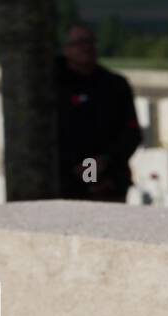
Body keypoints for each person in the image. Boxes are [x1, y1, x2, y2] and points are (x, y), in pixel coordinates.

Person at [55, 22, 142, 202]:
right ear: (66, 49)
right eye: (79, 42)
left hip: (109, 178)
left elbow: (131, 132)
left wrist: (101, 164)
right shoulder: (55, 85)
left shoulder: (114, 85)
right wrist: (87, 171)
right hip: (66, 180)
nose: (86, 47)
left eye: (90, 42)